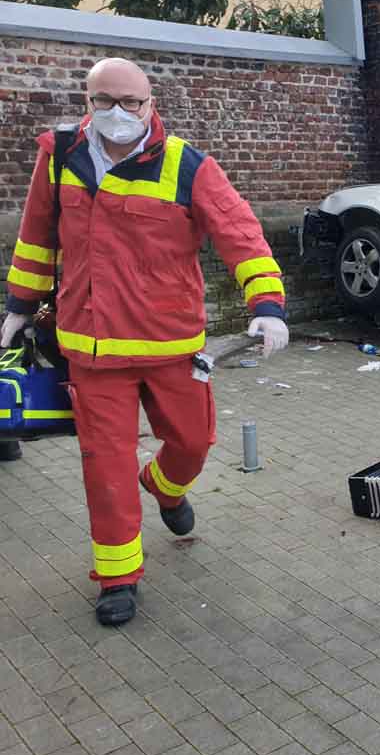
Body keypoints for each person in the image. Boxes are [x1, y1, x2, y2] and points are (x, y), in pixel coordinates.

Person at [0, 57, 290, 626]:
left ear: (150, 103)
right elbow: (36, 236)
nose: (118, 111)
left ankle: (164, 487)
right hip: (92, 348)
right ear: (88, 100)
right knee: (104, 469)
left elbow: (240, 233)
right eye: (104, 100)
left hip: (170, 345)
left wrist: (268, 306)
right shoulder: (60, 156)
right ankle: (118, 578)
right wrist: (18, 307)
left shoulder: (186, 165)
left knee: (193, 442)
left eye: (130, 101)